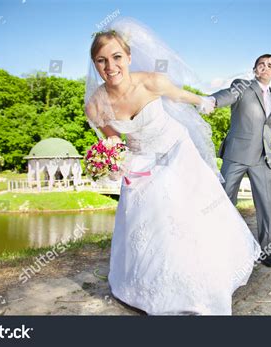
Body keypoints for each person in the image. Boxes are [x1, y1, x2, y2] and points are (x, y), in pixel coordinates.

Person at [84, 18, 260, 315]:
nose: (110, 66)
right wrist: (110, 163)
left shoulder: (150, 80)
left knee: (183, 215)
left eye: (116, 57)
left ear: (128, 57)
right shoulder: (95, 105)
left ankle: (201, 277)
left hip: (176, 150)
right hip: (140, 161)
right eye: (101, 61)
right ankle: (149, 284)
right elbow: (114, 142)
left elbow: (182, 97)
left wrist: (206, 102)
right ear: (95, 65)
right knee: (148, 221)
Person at [210, 54, 271, 268]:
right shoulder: (242, 86)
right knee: (224, 200)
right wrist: (212, 101)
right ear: (254, 68)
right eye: (261, 64)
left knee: (268, 204)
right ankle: (220, 246)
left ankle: (265, 250)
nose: (265, 68)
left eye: (270, 66)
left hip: (263, 159)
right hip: (237, 155)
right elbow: (226, 95)